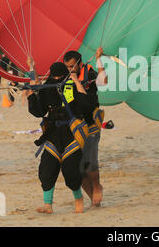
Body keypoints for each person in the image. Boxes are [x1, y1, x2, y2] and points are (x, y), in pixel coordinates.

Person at [27, 59, 97, 214]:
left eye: (60, 77)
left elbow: (87, 104)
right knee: (46, 169)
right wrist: (32, 92)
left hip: (72, 133)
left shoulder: (71, 86)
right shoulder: (47, 88)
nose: (57, 80)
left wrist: (76, 82)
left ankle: (78, 199)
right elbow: (38, 111)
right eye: (55, 77)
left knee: (71, 171)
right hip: (52, 133)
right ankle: (48, 205)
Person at [63, 47, 107, 207]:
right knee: (77, 168)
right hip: (74, 121)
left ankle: (97, 186)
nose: (70, 69)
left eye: (72, 66)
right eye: (67, 67)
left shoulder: (88, 71)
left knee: (89, 159)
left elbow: (103, 82)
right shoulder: (65, 77)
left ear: (79, 64)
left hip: (91, 119)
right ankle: (93, 199)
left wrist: (98, 59)